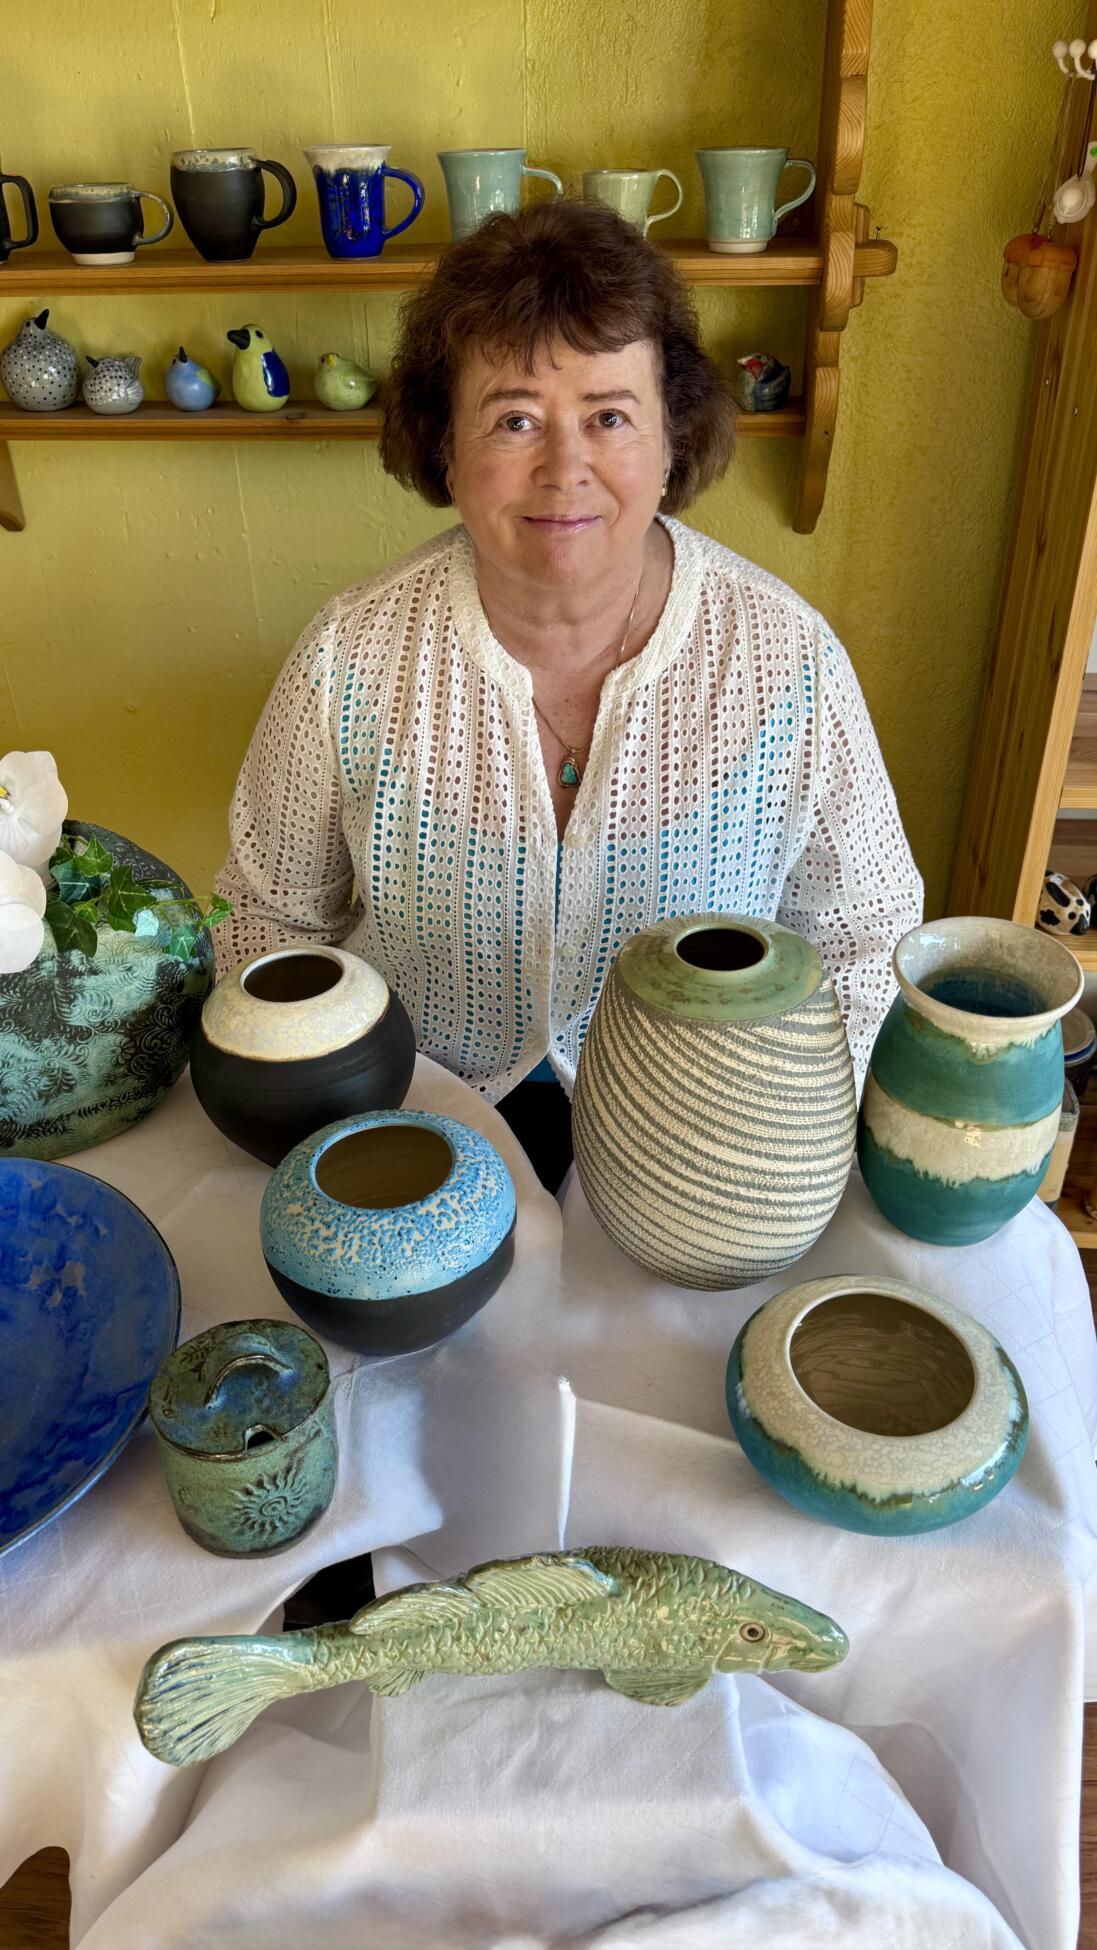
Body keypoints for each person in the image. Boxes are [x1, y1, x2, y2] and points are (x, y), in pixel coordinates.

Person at [216, 199, 922, 1193]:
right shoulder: (352, 657)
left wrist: (776, 1135)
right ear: (444, 446)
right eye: (514, 420)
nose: (565, 469)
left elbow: (865, 935)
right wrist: (328, 1106)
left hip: (703, 1140)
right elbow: (264, 918)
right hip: (414, 1124)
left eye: (608, 417)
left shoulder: (783, 657)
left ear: (671, 440)